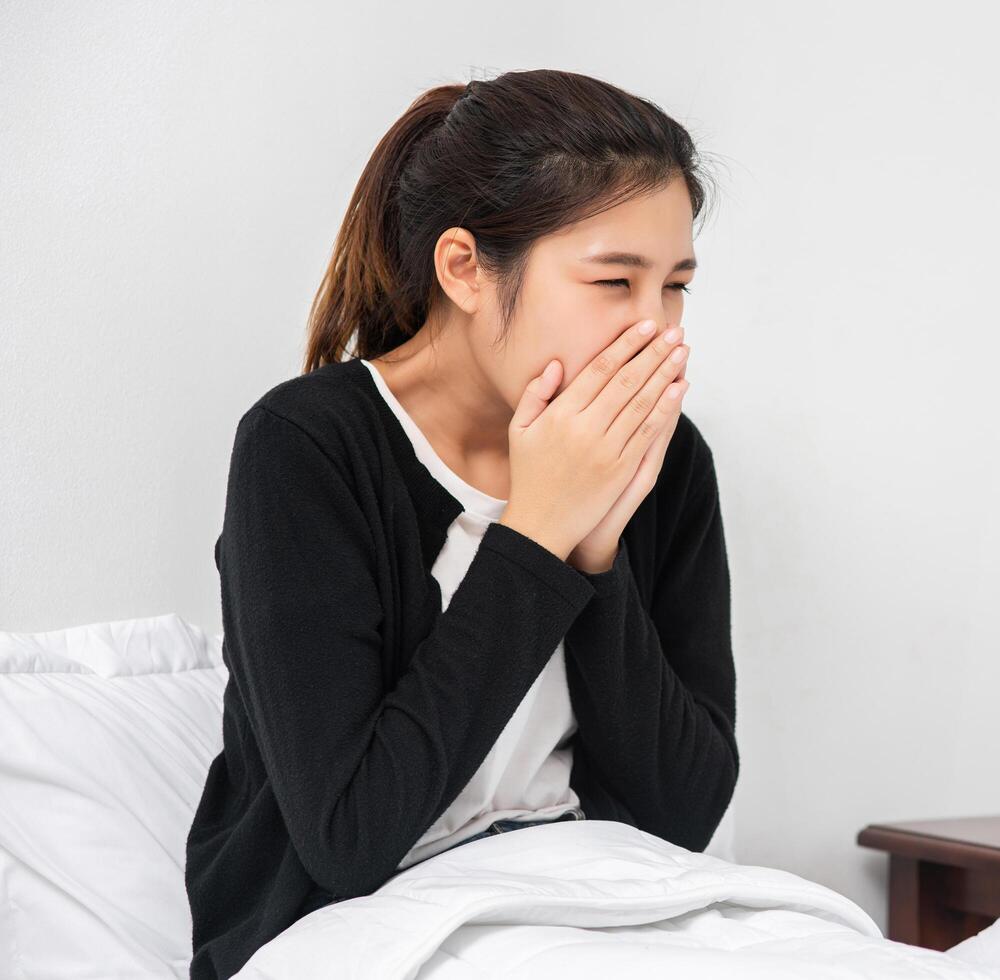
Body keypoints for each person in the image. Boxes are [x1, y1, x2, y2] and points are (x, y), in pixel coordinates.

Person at [184, 69, 738, 980]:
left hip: (593, 906)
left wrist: (597, 554)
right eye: (613, 281)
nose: (659, 331)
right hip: (365, 921)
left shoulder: (667, 460)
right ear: (464, 268)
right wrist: (538, 537)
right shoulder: (308, 448)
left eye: (675, 285)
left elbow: (681, 817)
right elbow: (348, 838)